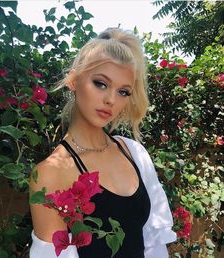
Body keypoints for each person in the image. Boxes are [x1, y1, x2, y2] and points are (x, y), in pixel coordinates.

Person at [29, 28, 176, 258]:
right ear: (73, 80)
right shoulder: (50, 174)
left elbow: (153, 243)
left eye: (123, 92)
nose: (111, 100)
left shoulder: (134, 152)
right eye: (100, 83)